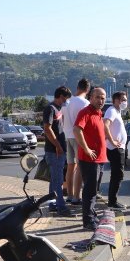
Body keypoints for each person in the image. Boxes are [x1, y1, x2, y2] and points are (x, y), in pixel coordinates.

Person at [74, 88, 108, 231]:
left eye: (103, 98)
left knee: (94, 190)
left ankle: (92, 216)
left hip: (99, 159)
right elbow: (77, 129)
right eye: (98, 98)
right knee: (89, 191)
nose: (101, 101)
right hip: (89, 160)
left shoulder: (99, 113)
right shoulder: (85, 112)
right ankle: (88, 221)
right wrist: (86, 148)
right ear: (91, 98)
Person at [43, 86, 73, 217]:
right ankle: (61, 207)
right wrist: (58, 145)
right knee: (58, 180)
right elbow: (47, 129)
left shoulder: (59, 109)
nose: (66, 101)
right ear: (60, 96)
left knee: (55, 179)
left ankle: (53, 204)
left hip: (58, 150)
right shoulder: (50, 109)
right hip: (54, 151)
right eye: (65, 98)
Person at [62, 78, 91, 206]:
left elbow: (62, 119)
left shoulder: (67, 102)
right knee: (80, 167)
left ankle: (69, 195)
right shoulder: (85, 103)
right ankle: (76, 197)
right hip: (78, 136)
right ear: (87, 89)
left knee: (70, 166)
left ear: (77, 87)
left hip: (67, 136)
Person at [103, 91, 128, 210]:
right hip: (114, 148)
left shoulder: (118, 111)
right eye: (123, 99)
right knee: (117, 175)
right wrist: (112, 141)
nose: (125, 102)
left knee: (118, 175)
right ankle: (112, 202)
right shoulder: (112, 110)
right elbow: (105, 125)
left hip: (119, 147)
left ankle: (112, 200)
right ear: (116, 100)